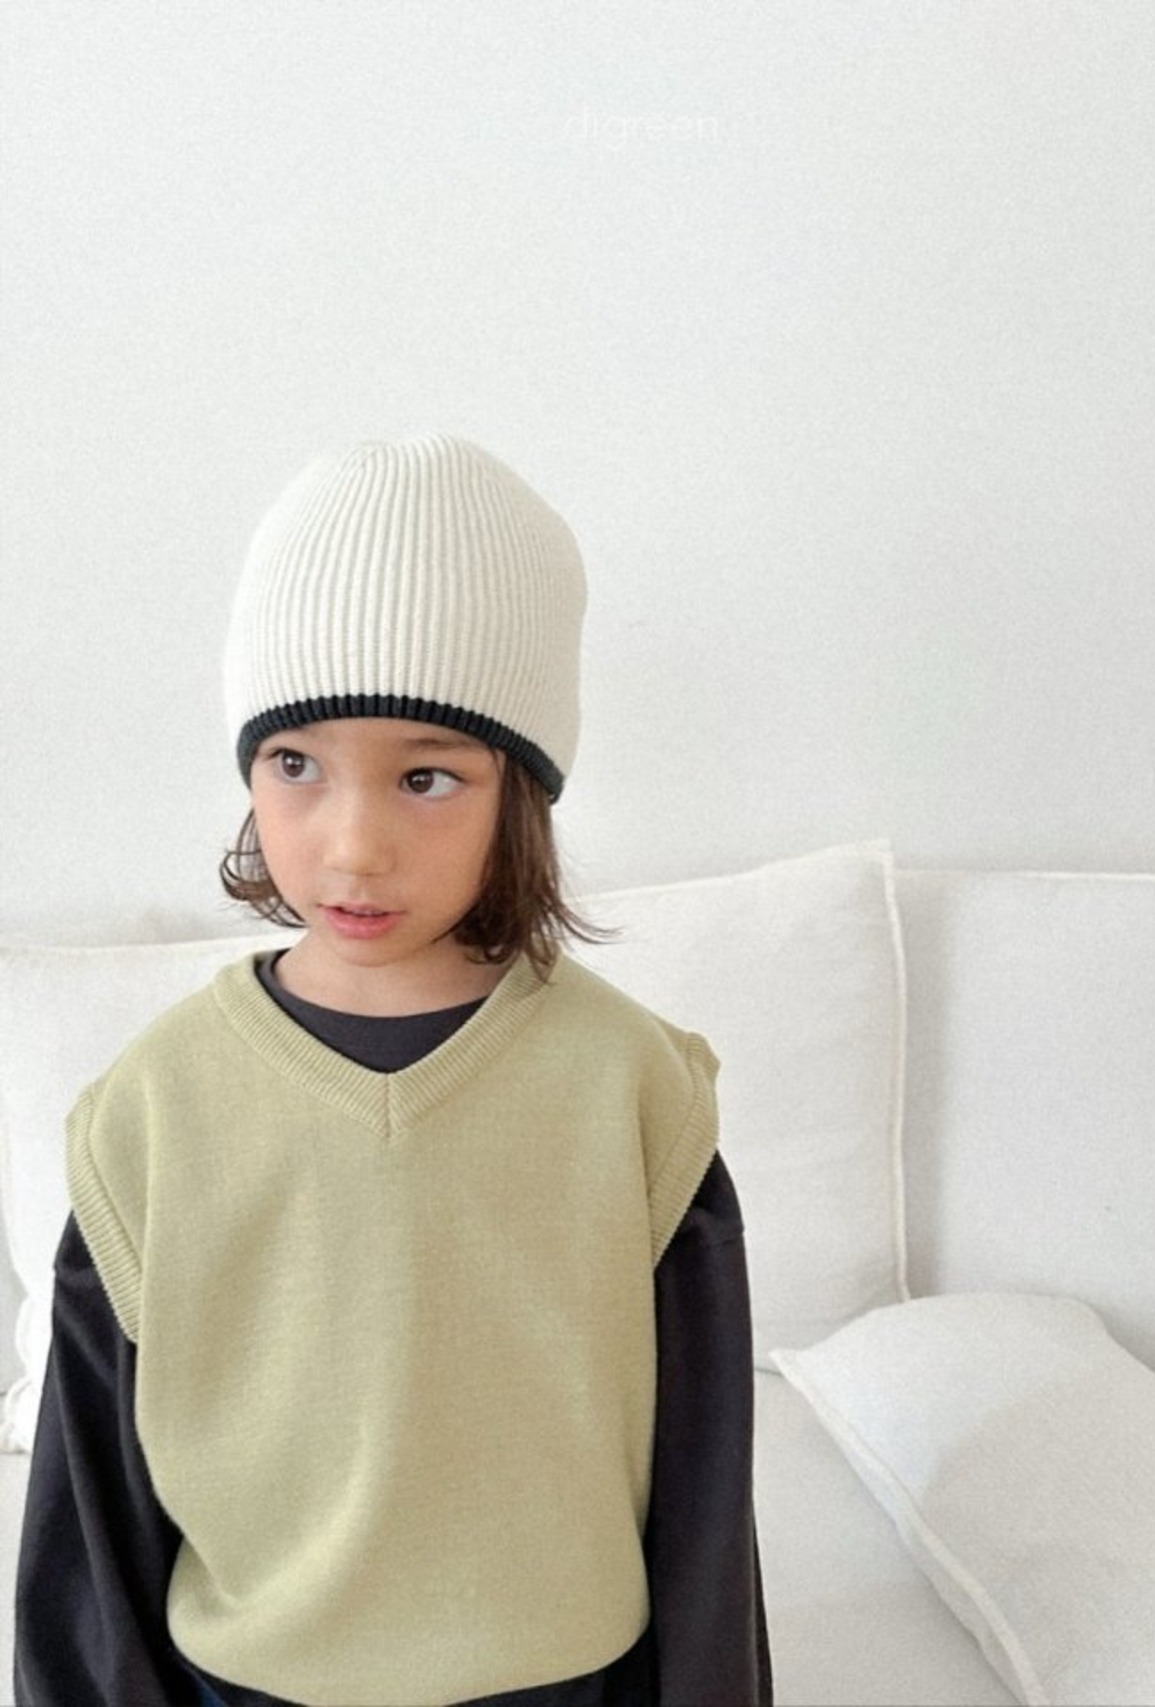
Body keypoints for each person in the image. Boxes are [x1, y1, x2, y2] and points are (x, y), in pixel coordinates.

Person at [14, 436, 772, 1707]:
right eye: (295, 764)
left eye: (426, 777)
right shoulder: (152, 1109)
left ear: (520, 793)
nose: (352, 846)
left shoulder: (630, 1089)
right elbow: (92, 1520)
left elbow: (702, 1492)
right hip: (242, 1686)